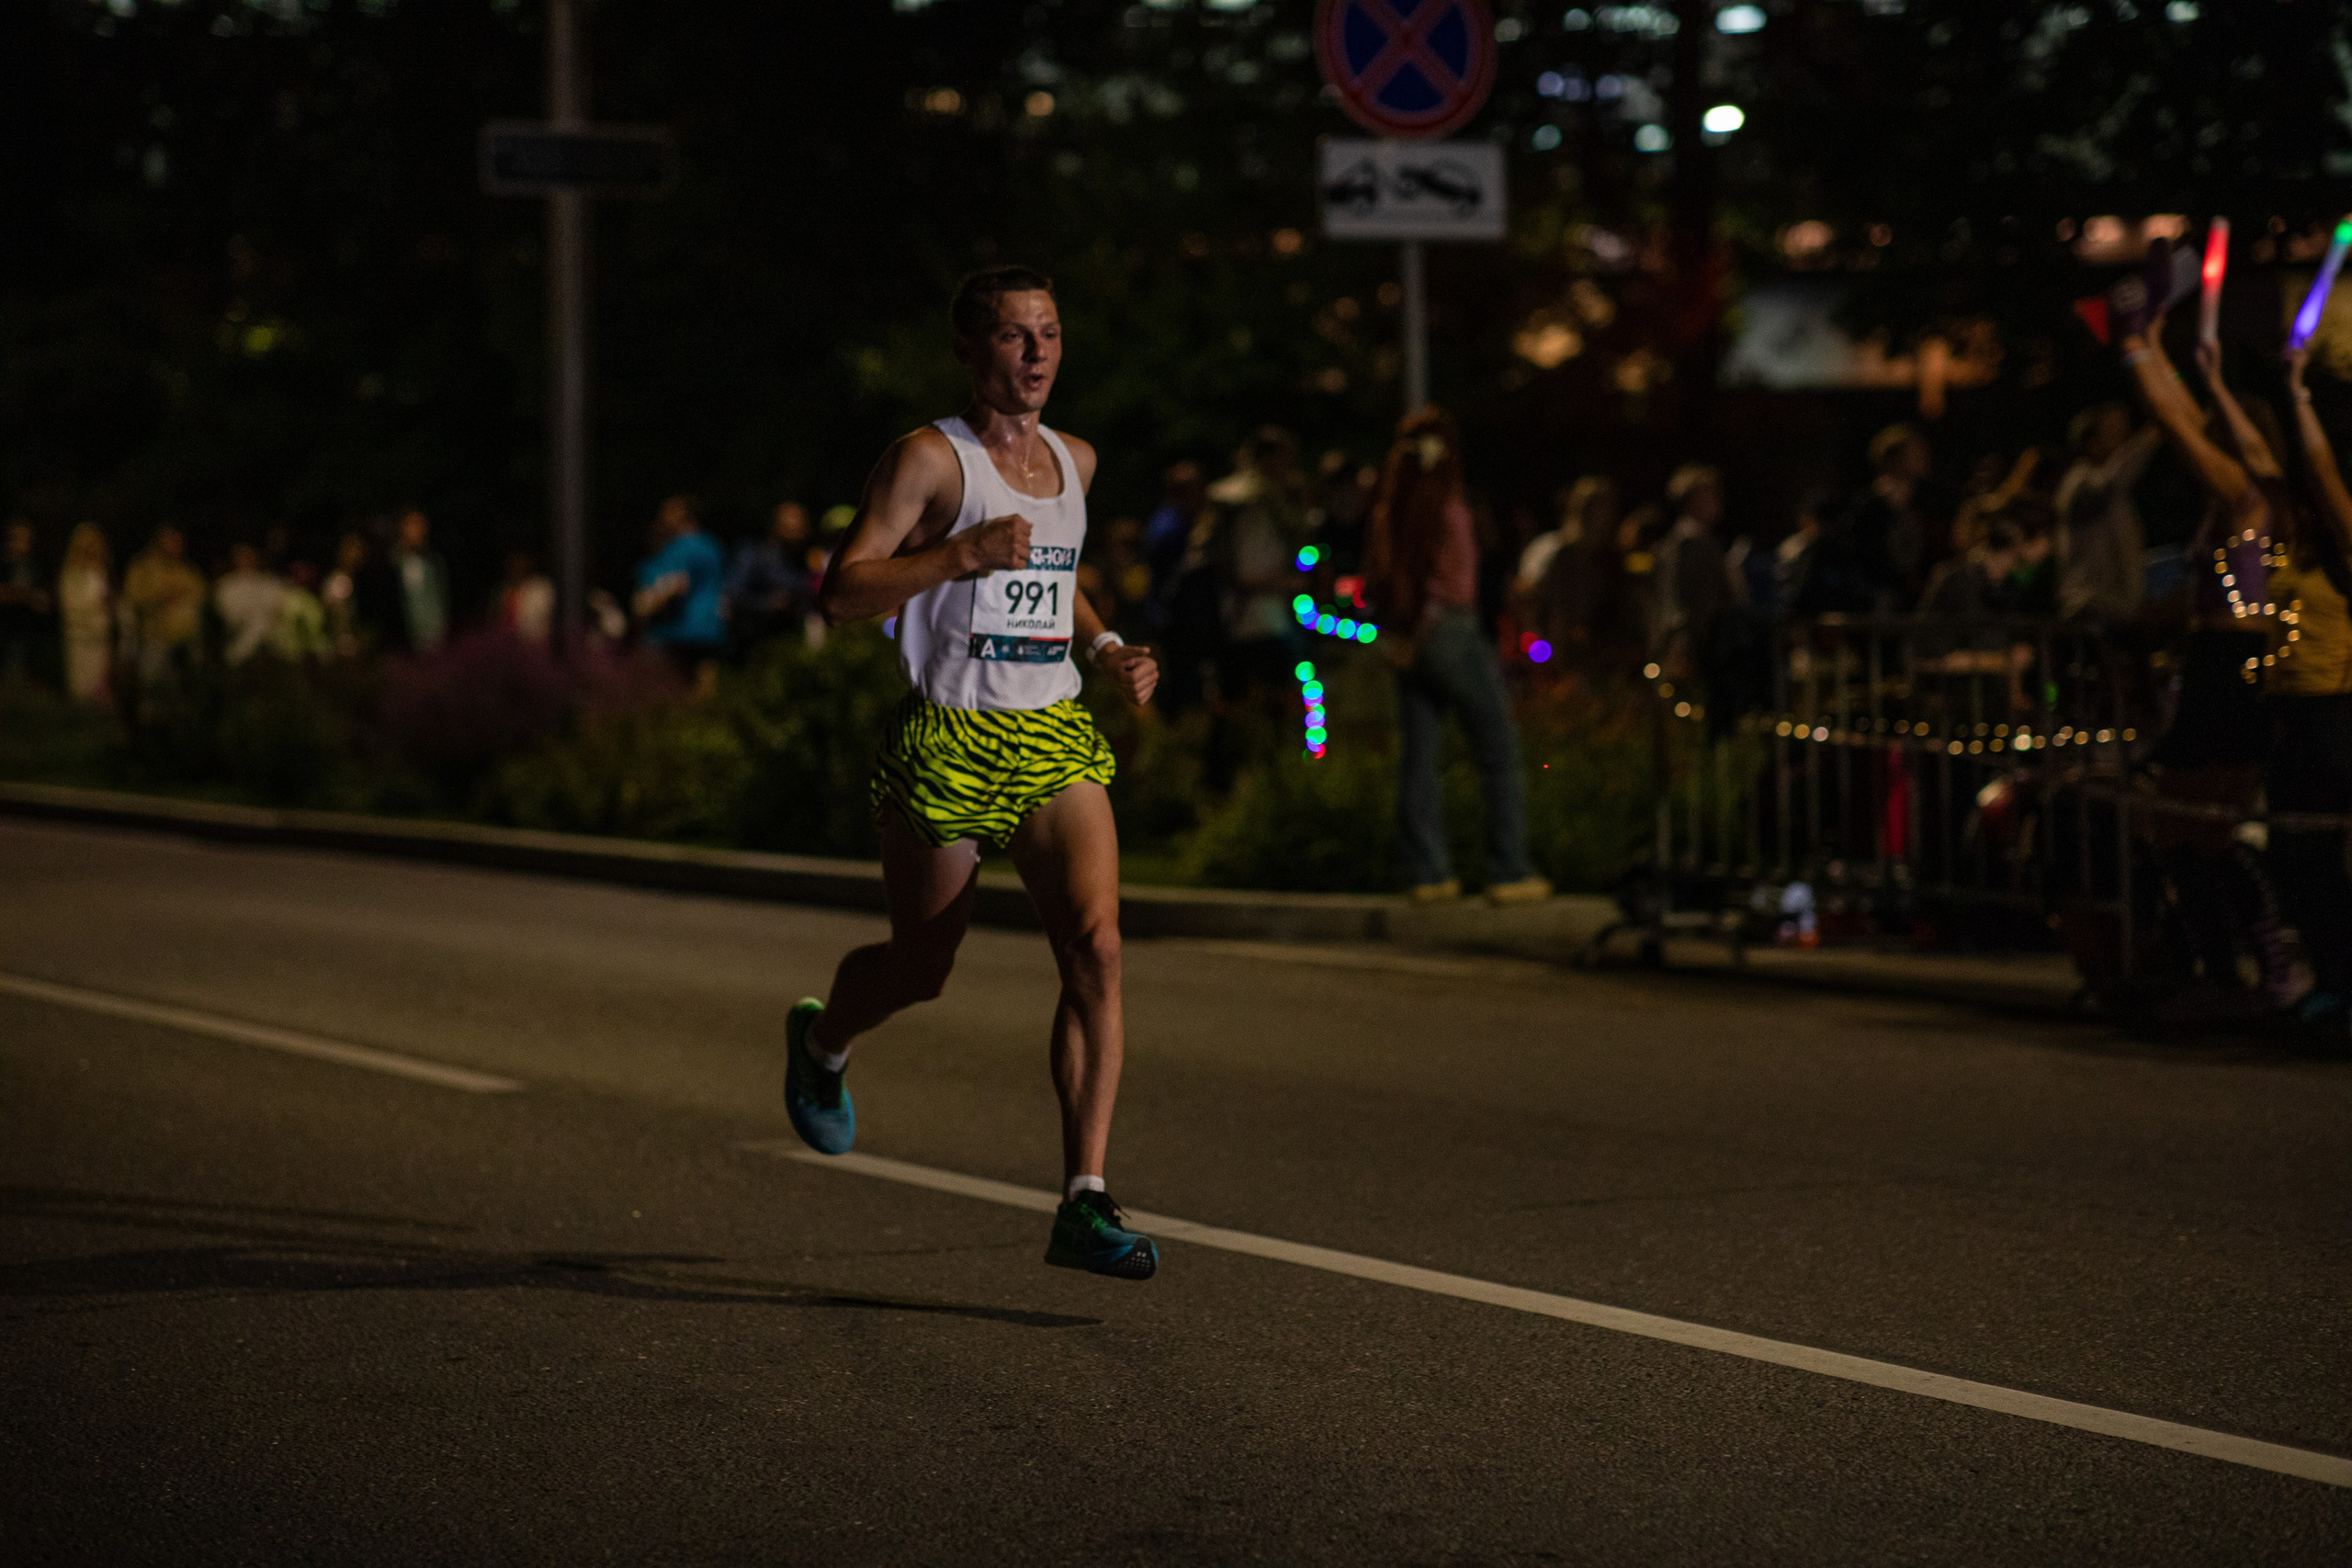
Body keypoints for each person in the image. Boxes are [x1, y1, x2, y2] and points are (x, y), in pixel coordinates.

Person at [795, 265, 1164, 1280]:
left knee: (1096, 946)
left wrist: (1105, 649)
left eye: (1049, 332)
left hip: (1049, 736)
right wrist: (955, 557)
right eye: (1013, 336)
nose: (1038, 353)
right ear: (970, 350)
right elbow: (843, 592)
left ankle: (1084, 1200)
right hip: (947, 738)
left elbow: (1060, 576)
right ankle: (825, 1039)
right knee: (922, 969)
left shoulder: (1074, 459)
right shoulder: (928, 460)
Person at [1363, 405, 1552, 905]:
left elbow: (1386, 581)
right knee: (1498, 750)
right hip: (1450, 632)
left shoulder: (1393, 509)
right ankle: (1509, 869)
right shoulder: (1447, 508)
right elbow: (1449, 586)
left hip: (1407, 639)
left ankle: (1429, 872)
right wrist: (1428, 631)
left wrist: (1402, 640)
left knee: (1420, 757)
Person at [1207, 426, 1308, 701]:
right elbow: (1243, 578)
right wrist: (1289, 584)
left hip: (1268, 623)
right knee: (1257, 708)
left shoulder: (1268, 504)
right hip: (1251, 625)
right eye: (1285, 459)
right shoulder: (1249, 507)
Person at [2053, 403, 2162, 623]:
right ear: (2091, 444)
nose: (2123, 443)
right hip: (2090, 604)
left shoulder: (2116, 496)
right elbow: (2114, 479)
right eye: (2112, 436)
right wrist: (2154, 433)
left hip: (2116, 607)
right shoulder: (2079, 482)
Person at [633, 494, 728, 682]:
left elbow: (677, 584)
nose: (662, 517)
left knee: (675, 692)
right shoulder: (712, 544)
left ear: (680, 514)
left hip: (680, 630)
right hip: (710, 625)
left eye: (666, 512)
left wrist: (645, 605)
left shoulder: (679, 547)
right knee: (705, 689)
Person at [119, 525, 206, 686]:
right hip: (155, 636)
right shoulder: (143, 567)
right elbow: (132, 596)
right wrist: (159, 597)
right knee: (154, 682)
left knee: (187, 684)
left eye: (179, 541)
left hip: (187, 639)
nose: (177, 545)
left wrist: (182, 596)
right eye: (171, 540)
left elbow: (200, 594)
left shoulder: (187, 570)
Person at [724, 502, 815, 652]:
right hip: (755, 645)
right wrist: (768, 604)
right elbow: (732, 594)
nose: (799, 534)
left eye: (802, 529)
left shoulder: (803, 561)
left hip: (790, 644)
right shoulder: (753, 555)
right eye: (792, 529)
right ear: (775, 527)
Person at [56, 524, 113, 704]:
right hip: (80, 638)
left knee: (99, 686)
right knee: (81, 687)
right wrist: (97, 608)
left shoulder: (101, 572)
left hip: (100, 637)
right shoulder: (71, 574)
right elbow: (70, 606)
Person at [213, 541, 289, 665]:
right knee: (259, 621)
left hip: (270, 623)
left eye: (249, 557)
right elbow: (226, 611)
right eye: (242, 557)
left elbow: (279, 602)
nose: (246, 560)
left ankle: (242, 655)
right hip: (240, 622)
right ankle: (239, 656)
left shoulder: (267, 581)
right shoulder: (227, 584)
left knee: (265, 622)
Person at [0, 519, 52, 686]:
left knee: (25, 670)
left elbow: (41, 591)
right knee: (11, 667)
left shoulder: (34, 563)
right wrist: (28, 595)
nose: (24, 541)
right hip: (7, 625)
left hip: (30, 625)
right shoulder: (4, 562)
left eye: (27, 537)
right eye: (19, 537)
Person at [495, 549, 555, 644]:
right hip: (504, 644)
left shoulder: (540, 588)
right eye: (512, 564)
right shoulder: (504, 590)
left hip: (534, 644)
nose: (516, 568)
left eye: (520, 563)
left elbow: (544, 621)